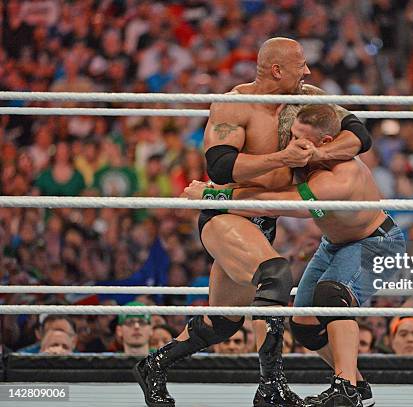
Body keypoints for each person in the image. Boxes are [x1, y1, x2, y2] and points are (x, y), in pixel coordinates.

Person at [134, 37, 371, 407]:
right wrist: (284, 158)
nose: (307, 71)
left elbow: (360, 134)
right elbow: (220, 165)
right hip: (228, 212)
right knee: (276, 274)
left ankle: (153, 365)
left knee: (224, 322)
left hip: (265, 216)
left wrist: (320, 152)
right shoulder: (235, 104)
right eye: (301, 65)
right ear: (277, 70)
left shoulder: (307, 99)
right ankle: (270, 389)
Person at [185, 104, 406, 407]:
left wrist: (214, 198)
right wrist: (217, 188)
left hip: (378, 242)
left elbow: (279, 205)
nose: (291, 144)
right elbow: (260, 186)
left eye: (300, 139)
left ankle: (345, 388)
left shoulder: (341, 176)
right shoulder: (302, 159)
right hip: (334, 244)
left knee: (332, 296)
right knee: (304, 324)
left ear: (325, 143)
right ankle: (358, 384)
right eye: (291, 135)